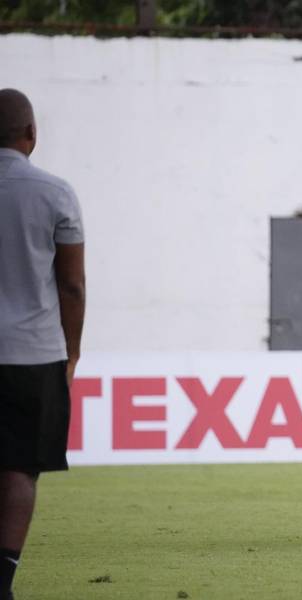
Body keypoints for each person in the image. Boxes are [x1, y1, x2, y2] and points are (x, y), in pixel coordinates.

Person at [0, 89, 86, 600]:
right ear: (31, 135)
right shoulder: (54, 193)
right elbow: (71, 284)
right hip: (32, 352)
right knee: (19, 467)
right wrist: (71, 351)